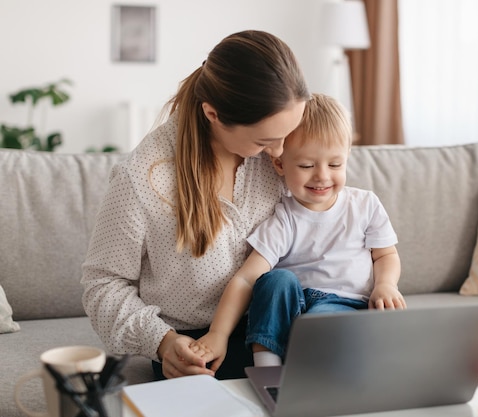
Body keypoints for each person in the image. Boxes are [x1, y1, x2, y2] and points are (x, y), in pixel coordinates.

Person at [81, 30, 310, 380]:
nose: (281, 153)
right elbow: (103, 285)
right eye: (266, 140)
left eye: (288, 135)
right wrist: (162, 342)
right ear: (213, 113)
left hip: (278, 319)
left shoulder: (278, 158)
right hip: (197, 348)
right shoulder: (142, 178)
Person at [189, 93, 406, 373]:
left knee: (322, 321)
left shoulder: (365, 204)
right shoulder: (284, 217)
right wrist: (218, 334)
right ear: (280, 164)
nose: (322, 176)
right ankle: (268, 370)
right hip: (293, 309)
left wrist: (385, 285)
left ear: (348, 157)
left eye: (335, 164)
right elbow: (246, 278)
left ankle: (311, 367)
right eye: (306, 166)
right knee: (275, 279)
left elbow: (386, 254)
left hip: (344, 307)